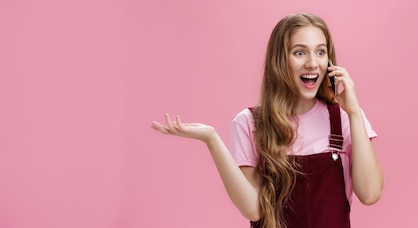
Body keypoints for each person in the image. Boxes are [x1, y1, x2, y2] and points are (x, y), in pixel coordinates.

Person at [151, 13, 383, 228]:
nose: (313, 63)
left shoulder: (344, 117)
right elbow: (253, 210)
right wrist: (211, 139)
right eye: (300, 52)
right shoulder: (250, 123)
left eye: (321, 52)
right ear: (279, 60)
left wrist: (353, 113)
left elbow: (370, 194)